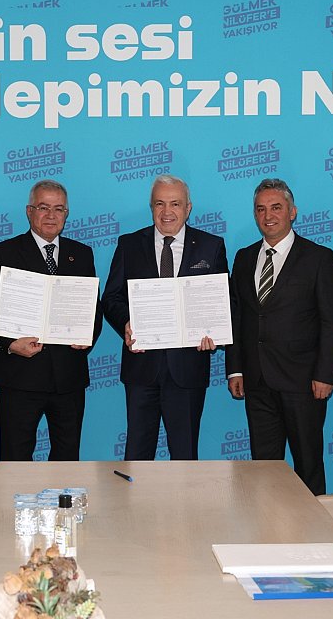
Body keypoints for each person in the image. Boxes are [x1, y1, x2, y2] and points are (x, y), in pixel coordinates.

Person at [226, 179, 333, 495]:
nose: (268, 216)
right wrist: (235, 369)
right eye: (260, 209)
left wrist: (325, 374)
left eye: (276, 207)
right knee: (263, 469)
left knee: (308, 465)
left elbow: (332, 321)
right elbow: (236, 317)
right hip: (256, 381)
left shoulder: (319, 258)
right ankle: (267, 525)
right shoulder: (243, 258)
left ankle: (315, 526)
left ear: (292, 212)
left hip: (303, 382)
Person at [102, 174, 228, 461]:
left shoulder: (211, 246)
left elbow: (223, 300)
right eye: (159, 203)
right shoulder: (129, 244)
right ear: (151, 207)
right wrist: (126, 323)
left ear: (188, 208)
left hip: (188, 369)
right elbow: (111, 298)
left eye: (175, 204)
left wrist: (215, 334)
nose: (167, 211)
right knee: (137, 457)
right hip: (141, 369)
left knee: (185, 457)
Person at [0, 179, 101, 461]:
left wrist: (86, 337)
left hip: (68, 377)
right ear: (29, 211)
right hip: (20, 375)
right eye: (43, 207)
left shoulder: (81, 253)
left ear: (66, 214)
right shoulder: (5, 252)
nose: (51, 215)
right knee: (15, 459)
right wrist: (10, 344)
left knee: (67, 459)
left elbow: (93, 309)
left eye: (58, 209)